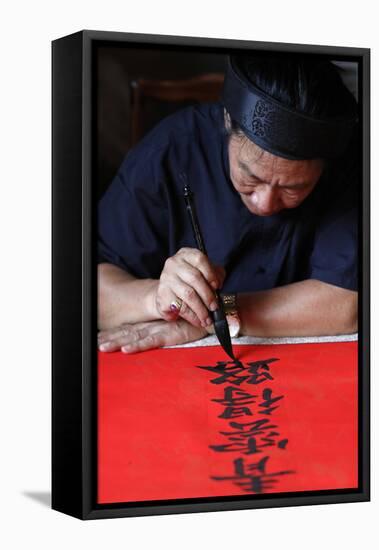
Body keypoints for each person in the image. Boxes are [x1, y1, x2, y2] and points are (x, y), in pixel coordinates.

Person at [97, 52, 359, 354]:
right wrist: (157, 298)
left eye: (293, 188)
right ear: (226, 120)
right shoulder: (172, 149)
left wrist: (212, 316)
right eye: (251, 179)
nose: (264, 203)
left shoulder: (350, 165)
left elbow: (346, 303)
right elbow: (92, 288)